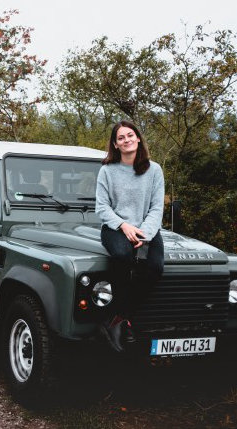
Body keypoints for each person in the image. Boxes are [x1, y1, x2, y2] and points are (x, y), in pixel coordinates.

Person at [95, 120, 165, 352]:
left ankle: (119, 318)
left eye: (130, 135)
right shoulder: (107, 170)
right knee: (123, 257)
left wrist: (144, 234)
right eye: (121, 138)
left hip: (147, 229)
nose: (126, 140)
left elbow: (156, 208)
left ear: (137, 138)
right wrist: (124, 226)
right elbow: (102, 207)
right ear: (115, 144)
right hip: (115, 228)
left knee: (154, 268)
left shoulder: (154, 170)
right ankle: (123, 322)